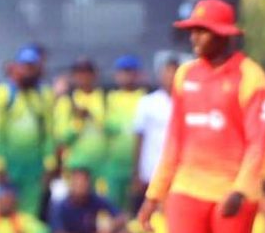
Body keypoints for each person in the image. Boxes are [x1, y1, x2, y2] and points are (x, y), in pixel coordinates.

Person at [137, 0, 265, 233]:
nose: (194, 38)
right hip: (187, 187)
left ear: (224, 34)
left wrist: (239, 189)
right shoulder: (186, 75)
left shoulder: (251, 78)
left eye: (203, 31)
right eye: (192, 31)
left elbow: (258, 142)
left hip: (233, 193)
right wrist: (154, 195)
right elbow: (174, 141)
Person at [0, 46, 55, 217]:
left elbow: (49, 132)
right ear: (16, 67)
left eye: (32, 67)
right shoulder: (4, 94)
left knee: (31, 213)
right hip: (8, 168)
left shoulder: (44, 95)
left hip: (34, 168)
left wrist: (49, 163)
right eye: (25, 67)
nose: (28, 72)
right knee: (6, 213)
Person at [132, 58, 179, 211]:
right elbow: (139, 138)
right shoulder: (148, 102)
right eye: (167, 72)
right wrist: (137, 173)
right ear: (160, 75)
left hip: (177, 172)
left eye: (175, 72)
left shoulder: (187, 102)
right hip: (150, 170)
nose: (171, 76)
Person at [103, 55, 147, 211]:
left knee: (134, 209)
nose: (125, 76)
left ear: (138, 74)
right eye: (122, 72)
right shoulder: (108, 99)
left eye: (129, 72)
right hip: (113, 167)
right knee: (112, 209)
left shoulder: (145, 99)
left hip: (138, 168)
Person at [53, 58, 106, 187]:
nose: (84, 77)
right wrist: (78, 122)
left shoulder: (105, 99)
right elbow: (62, 138)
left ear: (95, 75)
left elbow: (113, 130)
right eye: (80, 73)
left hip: (102, 168)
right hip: (75, 167)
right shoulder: (66, 102)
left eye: (87, 73)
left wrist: (92, 116)